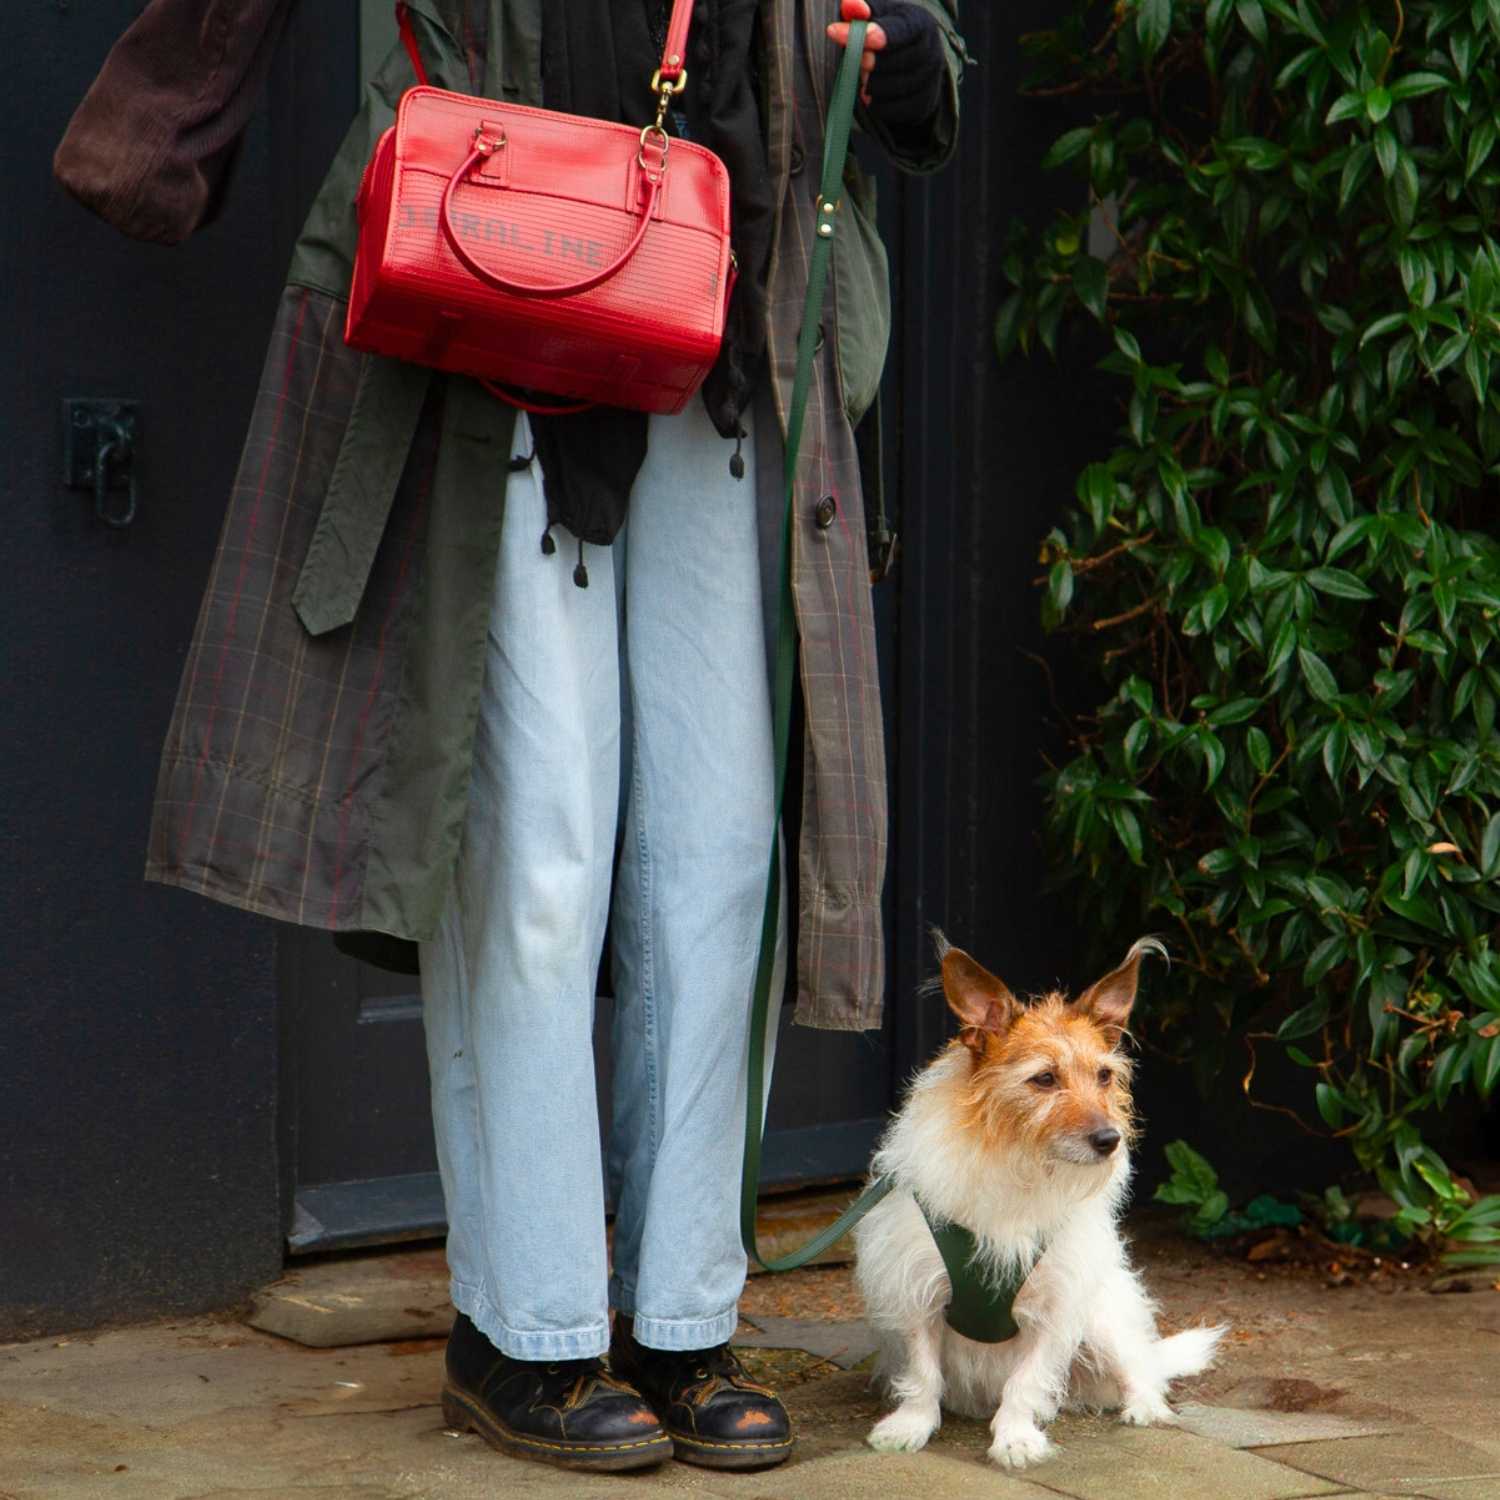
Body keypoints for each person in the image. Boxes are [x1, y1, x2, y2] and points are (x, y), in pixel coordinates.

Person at [57, 0, 962, 1477]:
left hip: (729, 327)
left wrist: (912, 62)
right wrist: (155, 130)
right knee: (536, 855)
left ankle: (682, 1324)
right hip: (501, 303)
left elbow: (892, 55)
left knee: (721, 859)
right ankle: (524, 1332)